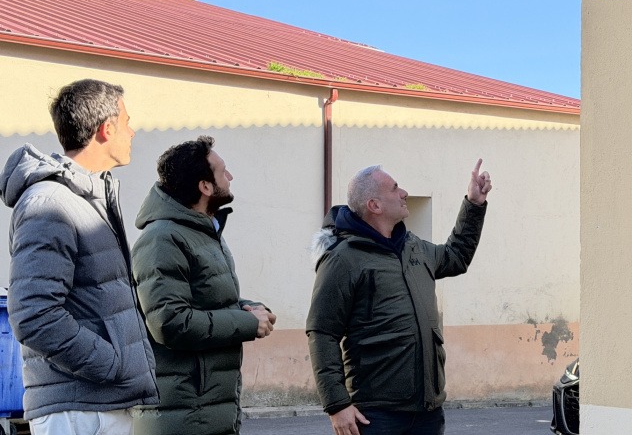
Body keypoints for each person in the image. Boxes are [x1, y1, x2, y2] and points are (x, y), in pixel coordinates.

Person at [0, 79, 158, 434]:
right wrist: (111, 365)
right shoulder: (50, 203)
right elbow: (34, 314)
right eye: (128, 122)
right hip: (78, 411)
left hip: (98, 405)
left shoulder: (88, 199)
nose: (133, 132)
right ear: (107, 128)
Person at [307, 160, 492, 435]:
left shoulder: (413, 247)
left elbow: (456, 257)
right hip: (376, 416)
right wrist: (336, 404)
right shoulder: (342, 259)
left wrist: (474, 204)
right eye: (395, 188)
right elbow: (322, 332)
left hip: (428, 412)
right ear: (375, 205)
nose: (404, 192)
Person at [131, 135, 276, 435]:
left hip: (208, 412)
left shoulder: (204, 234)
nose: (231, 177)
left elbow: (207, 303)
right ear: (205, 186)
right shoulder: (162, 238)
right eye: (223, 171)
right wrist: (246, 323)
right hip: (182, 416)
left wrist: (249, 309)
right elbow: (170, 322)